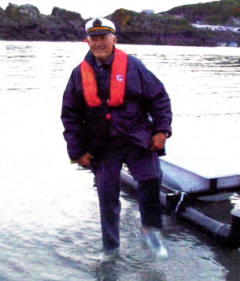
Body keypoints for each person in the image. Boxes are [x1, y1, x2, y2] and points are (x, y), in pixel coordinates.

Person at [61, 17, 172, 260]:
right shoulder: (78, 75)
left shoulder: (135, 66)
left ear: (114, 39)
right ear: (87, 41)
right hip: (102, 144)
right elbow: (69, 116)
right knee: (107, 195)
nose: (99, 42)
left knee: (152, 177)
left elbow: (160, 99)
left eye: (104, 37)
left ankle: (149, 230)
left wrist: (162, 131)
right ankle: (111, 248)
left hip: (136, 137)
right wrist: (77, 152)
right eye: (94, 37)